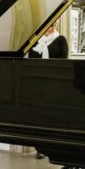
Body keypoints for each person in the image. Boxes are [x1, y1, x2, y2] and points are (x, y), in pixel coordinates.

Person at [28, 23, 68, 158]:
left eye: (51, 26)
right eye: (46, 27)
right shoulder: (35, 42)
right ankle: (40, 148)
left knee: (52, 116)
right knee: (38, 116)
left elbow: (64, 63)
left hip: (54, 83)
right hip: (38, 84)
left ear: (55, 26)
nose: (48, 29)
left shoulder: (60, 40)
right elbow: (30, 63)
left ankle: (54, 146)